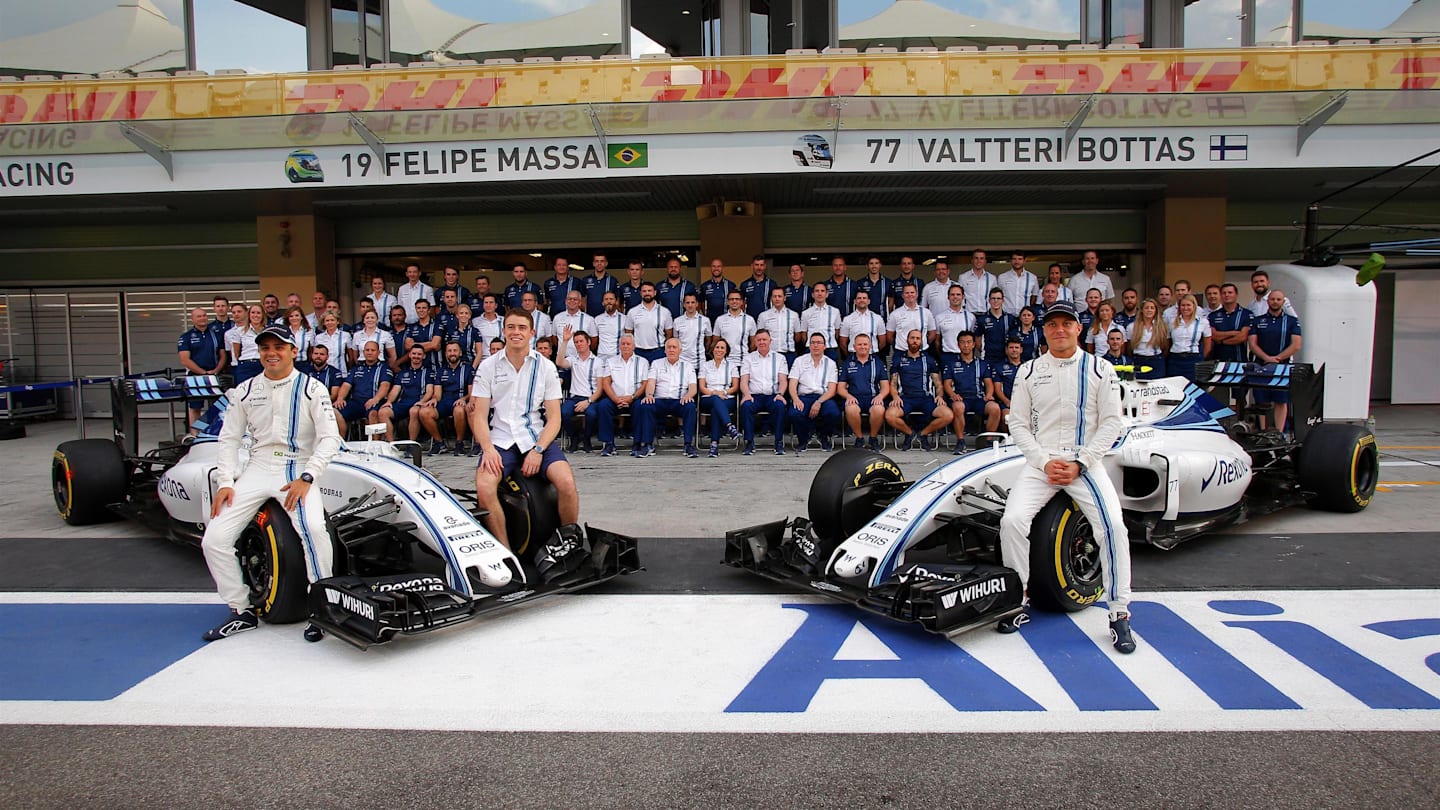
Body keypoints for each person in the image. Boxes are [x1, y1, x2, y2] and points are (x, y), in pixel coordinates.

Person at [996, 300, 1134, 653]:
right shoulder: (1027, 371)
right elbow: (1018, 424)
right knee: (1011, 521)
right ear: (1044, 331)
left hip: (1084, 464)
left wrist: (1082, 462)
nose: (1060, 330)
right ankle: (1018, 599)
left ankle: (1119, 612)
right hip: (1041, 464)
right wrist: (1043, 462)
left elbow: (1112, 423)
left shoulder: (1101, 369)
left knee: (1113, 527)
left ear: (1078, 329)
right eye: (1052, 324)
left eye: (1066, 324)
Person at [199, 324, 340, 643]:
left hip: (297, 467)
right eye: (265, 348)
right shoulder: (245, 390)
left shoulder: (311, 388)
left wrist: (308, 477)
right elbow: (229, 438)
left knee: (315, 529)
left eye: (279, 347)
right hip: (258, 465)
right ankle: (241, 610)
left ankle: (321, 607)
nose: (271, 353)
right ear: (259, 352)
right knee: (214, 539)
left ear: (293, 350)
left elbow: (331, 438)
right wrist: (225, 480)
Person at [470, 309, 579, 549]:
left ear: (531, 333)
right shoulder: (488, 366)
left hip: (536, 438)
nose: (515, 332)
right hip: (500, 440)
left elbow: (554, 419)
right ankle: (505, 551)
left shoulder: (546, 367)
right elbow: (478, 415)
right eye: (511, 327)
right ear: (504, 331)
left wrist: (538, 450)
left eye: (521, 328)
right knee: (484, 486)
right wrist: (487, 449)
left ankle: (568, 544)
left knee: (567, 483)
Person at [886, 329, 951, 451]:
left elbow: (938, 383)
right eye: (912, 338)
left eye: (918, 338)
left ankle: (923, 434)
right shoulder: (899, 360)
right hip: (905, 398)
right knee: (890, 416)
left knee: (947, 415)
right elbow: (893, 383)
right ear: (907, 340)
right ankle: (910, 434)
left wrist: (940, 396)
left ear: (922, 341)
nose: (915, 341)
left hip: (925, 398)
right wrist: (895, 396)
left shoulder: (929, 360)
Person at [1248, 288, 1303, 433]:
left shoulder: (1291, 321)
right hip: (1261, 366)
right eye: (1272, 299)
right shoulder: (1258, 320)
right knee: (1262, 401)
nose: (1275, 302)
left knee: (1281, 400)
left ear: (1283, 302)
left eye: (1278, 299)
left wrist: (1278, 358)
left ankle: (1279, 433)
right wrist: (1266, 358)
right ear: (1268, 301)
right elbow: (1252, 344)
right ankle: (1263, 432)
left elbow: (1296, 345)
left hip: (1282, 366)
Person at [634, 337, 698, 458]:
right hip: (660, 400)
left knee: (690, 406)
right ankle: (647, 445)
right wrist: (649, 395)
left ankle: (688, 445)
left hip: (679, 401)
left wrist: (688, 396)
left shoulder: (688, 366)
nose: (671, 350)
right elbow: (651, 382)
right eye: (669, 347)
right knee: (646, 405)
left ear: (680, 350)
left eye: (674, 347)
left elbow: (693, 387)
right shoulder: (656, 363)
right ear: (665, 350)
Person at [592, 334, 649, 457]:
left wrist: (632, 397)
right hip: (615, 398)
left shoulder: (642, 362)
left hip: (634, 398)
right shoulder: (611, 361)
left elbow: (645, 384)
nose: (625, 346)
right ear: (619, 346)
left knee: (642, 407)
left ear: (634, 346)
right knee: (603, 406)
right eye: (623, 344)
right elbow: (606, 383)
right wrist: (615, 399)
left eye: (628, 344)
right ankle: (609, 444)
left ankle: (637, 444)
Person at [943, 330, 1000, 452]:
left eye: (969, 342)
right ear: (958, 345)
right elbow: (947, 384)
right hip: (961, 399)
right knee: (958, 407)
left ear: (974, 344)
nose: (966, 345)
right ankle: (960, 442)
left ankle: (987, 441)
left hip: (978, 398)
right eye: (962, 342)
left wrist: (989, 395)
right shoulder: (952, 364)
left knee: (995, 408)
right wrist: (953, 394)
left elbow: (989, 383)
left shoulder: (982, 364)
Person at [787, 332, 841, 452]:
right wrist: (795, 399)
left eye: (819, 343)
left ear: (824, 346)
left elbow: (832, 390)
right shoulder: (799, 361)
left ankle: (823, 436)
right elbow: (792, 384)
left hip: (824, 397)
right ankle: (803, 439)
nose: (816, 345)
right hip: (803, 397)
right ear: (809, 345)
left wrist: (819, 401)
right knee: (794, 414)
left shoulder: (831, 364)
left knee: (834, 413)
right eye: (813, 343)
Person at [738, 329, 789, 455]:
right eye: (759, 340)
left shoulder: (779, 358)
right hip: (754, 396)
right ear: (755, 341)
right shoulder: (748, 358)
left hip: (773, 395)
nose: (762, 342)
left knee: (780, 406)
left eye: (764, 339)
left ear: (770, 341)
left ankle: (778, 442)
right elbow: (744, 381)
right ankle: (749, 442)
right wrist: (746, 394)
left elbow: (783, 380)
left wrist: (780, 394)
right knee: (746, 406)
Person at [838, 333, 890, 451]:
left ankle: (873, 438)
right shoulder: (847, 363)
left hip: (872, 397)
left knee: (879, 409)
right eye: (860, 344)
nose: (862, 347)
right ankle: (859, 438)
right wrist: (848, 396)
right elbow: (840, 388)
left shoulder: (877, 362)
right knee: (851, 409)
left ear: (870, 346)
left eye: (865, 344)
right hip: (854, 398)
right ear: (854, 346)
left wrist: (880, 396)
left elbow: (885, 386)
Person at [178, 306, 226, 428]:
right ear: (193, 319)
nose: (202, 318)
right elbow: (184, 360)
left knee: (217, 407)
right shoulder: (186, 337)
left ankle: (214, 434)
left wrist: (216, 370)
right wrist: (202, 372)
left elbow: (223, 355)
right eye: (199, 316)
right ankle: (194, 435)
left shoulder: (215, 334)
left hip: (214, 375)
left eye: (204, 315)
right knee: (195, 407)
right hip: (195, 377)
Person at [422, 340, 474, 454]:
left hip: (460, 402)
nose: (452, 353)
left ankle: (459, 443)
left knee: (459, 410)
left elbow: (472, 392)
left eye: (455, 350)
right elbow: (437, 393)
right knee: (424, 412)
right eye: (449, 351)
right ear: (446, 354)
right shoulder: (441, 371)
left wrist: (463, 399)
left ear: (460, 353)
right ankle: (439, 443)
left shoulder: (468, 369)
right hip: (444, 403)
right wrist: (434, 399)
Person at [334, 339, 394, 437]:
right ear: (363, 352)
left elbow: (385, 385)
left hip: (375, 401)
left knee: (373, 414)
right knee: (334, 411)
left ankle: (376, 445)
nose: (369, 352)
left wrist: (376, 399)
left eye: (372, 350)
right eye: (367, 350)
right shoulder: (356, 368)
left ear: (379, 352)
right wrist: (340, 398)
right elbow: (346, 385)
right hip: (356, 403)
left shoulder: (384, 368)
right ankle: (341, 442)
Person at [380, 345, 439, 444]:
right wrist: (389, 401)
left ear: (424, 356)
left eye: (419, 354)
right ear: (410, 355)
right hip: (403, 403)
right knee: (382, 412)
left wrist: (422, 402)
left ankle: (412, 444)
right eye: (414, 354)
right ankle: (391, 445)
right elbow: (395, 390)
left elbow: (429, 391)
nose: (416, 356)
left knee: (413, 411)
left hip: (419, 403)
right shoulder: (402, 373)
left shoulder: (428, 372)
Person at [557, 330, 602, 453]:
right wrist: (565, 341)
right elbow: (559, 362)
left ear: (588, 342)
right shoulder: (573, 359)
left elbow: (600, 388)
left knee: (592, 414)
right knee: (563, 412)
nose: (578, 344)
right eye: (576, 342)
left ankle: (586, 438)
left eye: (581, 341)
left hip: (591, 398)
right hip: (574, 397)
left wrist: (588, 401)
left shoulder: (598, 362)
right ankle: (574, 438)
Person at [697, 337, 742, 457]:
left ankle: (714, 445)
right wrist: (714, 393)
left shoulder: (732, 366)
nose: (719, 350)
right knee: (716, 401)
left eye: (722, 348)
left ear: (726, 351)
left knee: (716, 409)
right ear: (712, 349)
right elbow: (702, 387)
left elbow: (735, 387)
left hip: (727, 398)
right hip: (708, 397)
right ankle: (729, 426)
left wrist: (724, 393)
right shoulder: (705, 366)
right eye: (717, 347)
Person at [1167, 293, 1212, 381]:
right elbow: (1167, 342)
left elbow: (1207, 345)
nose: (1185, 308)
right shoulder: (1172, 322)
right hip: (1175, 360)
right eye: (1183, 305)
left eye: (1188, 305)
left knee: (1192, 388)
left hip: (1193, 359)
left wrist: (1200, 358)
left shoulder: (1203, 322)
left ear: (1194, 306)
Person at [885, 282, 938, 353]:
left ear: (917, 294)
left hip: (921, 351)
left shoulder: (926, 313)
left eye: (912, 292)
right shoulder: (895, 314)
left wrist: (921, 344)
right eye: (907, 293)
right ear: (903, 295)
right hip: (902, 352)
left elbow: (932, 334)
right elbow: (889, 336)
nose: (910, 295)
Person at [628, 281, 673, 363]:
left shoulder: (665, 312)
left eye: (649, 291)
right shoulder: (632, 312)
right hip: (638, 351)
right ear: (640, 293)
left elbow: (669, 333)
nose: (647, 293)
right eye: (644, 291)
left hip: (658, 351)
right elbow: (628, 333)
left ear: (655, 293)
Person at [1208, 282, 1252, 362]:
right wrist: (1234, 333)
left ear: (1236, 295)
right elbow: (1213, 336)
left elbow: (1242, 337)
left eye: (1230, 292)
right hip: (1217, 360)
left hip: (1239, 360)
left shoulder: (1247, 314)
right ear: (1221, 296)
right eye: (1224, 293)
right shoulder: (1213, 315)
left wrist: (1221, 341)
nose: (1227, 295)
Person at [756, 286, 802, 362]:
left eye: (779, 296)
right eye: (774, 296)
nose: (777, 299)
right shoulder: (763, 316)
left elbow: (798, 336)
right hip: (770, 354)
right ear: (771, 298)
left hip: (789, 354)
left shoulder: (794, 315)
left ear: (784, 298)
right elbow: (759, 336)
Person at [839, 289, 888, 360]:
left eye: (864, 298)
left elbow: (882, 341)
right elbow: (843, 342)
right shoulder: (847, 319)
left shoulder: (877, 318)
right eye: (859, 298)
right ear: (855, 301)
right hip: (853, 356)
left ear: (868, 301)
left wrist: (872, 351)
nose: (862, 300)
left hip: (872, 355)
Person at [1129, 298, 1170, 379]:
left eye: (1152, 308)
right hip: (1139, 360)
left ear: (1156, 311)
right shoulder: (1132, 327)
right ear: (1141, 310)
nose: (1149, 310)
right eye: (1146, 308)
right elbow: (1129, 348)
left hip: (1156, 361)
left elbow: (1165, 347)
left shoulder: (1162, 326)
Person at [936, 285, 977, 366]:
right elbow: (937, 341)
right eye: (952, 294)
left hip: (965, 356)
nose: (955, 297)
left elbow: (973, 339)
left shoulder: (971, 317)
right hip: (947, 356)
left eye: (958, 294)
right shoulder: (939, 317)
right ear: (948, 297)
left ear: (963, 297)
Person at [800, 282, 841, 361]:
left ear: (827, 294)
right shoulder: (806, 313)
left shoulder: (835, 311)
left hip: (830, 348)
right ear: (813, 294)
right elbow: (804, 334)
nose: (819, 293)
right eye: (817, 291)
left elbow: (837, 331)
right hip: (811, 349)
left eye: (822, 291)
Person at [989, 337, 1024, 427]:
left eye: (1016, 348)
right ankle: (1006, 439)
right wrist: (1007, 401)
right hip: (1007, 402)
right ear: (1006, 350)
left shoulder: (1027, 366)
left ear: (1021, 350)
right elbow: (997, 389)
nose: (1014, 350)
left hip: (1025, 402)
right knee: (1007, 418)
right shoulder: (999, 367)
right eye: (1011, 347)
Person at [713, 290, 757, 362]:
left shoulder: (750, 319)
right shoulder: (720, 319)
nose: (734, 301)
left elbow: (753, 343)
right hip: (724, 361)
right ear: (727, 302)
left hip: (743, 361)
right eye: (731, 299)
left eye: (737, 299)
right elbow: (715, 341)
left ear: (742, 302)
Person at [227, 304, 265, 386]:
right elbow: (237, 353)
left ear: (262, 315)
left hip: (263, 366)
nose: (255, 315)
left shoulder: (268, 331)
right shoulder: (239, 331)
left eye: (258, 313)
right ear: (249, 314)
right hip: (245, 366)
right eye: (253, 312)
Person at [551, 289, 595, 359]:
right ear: (566, 301)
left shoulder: (589, 319)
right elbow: (554, 339)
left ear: (580, 302)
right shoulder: (557, 318)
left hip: (581, 359)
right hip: (562, 359)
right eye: (570, 299)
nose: (572, 301)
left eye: (575, 299)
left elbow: (594, 341)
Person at [672, 292, 712, 366]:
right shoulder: (677, 321)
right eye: (687, 302)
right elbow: (676, 340)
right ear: (684, 304)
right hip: (682, 360)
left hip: (700, 361)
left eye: (693, 302)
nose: (690, 305)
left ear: (697, 304)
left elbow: (708, 340)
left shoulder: (705, 320)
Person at [976, 287, 1014, 365]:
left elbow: (1013, 339)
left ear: (1003, 300)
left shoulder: (1010, 318)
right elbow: (978, 342)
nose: (995, 301)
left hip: (1006, 358)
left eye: (998, 298)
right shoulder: (982, 319)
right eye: (993, 298)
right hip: (988, 358)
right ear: (989, 300)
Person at [997, 250, 1040, 317]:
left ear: (1024, 260)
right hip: (1006, 315)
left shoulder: (1032, 278)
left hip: (1024, 316)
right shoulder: (1002, 277)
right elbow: (997, 296)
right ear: (1011, 261)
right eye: (1014, 259)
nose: (1017, 262)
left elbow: (1034, 296)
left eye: (1020, 259)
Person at [404, 298, 444, 368]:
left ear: (428, 310)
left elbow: (435, 344)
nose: (421, 310)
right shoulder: (412, 327)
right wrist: (429, 344)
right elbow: (407, 346)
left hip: (434, 366)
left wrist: (414, 346)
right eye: (418, 308)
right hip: (417, 367)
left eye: (424, 308)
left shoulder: (437, 325)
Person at [591, 290, 633, 358]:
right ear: (603, 302)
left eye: (611, 299)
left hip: (618, 356)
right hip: (601, 357)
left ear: (616, 302)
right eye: (606, 299)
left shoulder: (624, 319)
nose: (608, 301)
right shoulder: (597, 319)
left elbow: (628, 337)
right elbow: (595, 340)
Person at [957, 249, 996, 315]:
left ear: (985, 261)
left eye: (981, 258)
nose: (979, 261)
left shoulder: (992, 278)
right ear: (972, 260)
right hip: (969, 314)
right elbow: (960, 296)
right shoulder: (963, 278)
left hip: (986, 314)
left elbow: (995, 297)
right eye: (976, 258)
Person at [584, 252, 620, 316]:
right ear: (593, 263)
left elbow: (617, 301)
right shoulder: (585, 280)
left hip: (607, 318)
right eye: (597, 261)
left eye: (602, 261)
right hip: (590, 318)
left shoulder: (613, 280)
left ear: (606, 263)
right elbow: (582, 301)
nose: (599, 263)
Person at [472, 293, 504, 361]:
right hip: (481, 360)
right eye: (486, 302)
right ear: (483, 305)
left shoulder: (503, 321)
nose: (488, 305)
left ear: (496, 305)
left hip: (500, 359)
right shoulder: (475, 322)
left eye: (491, 302)